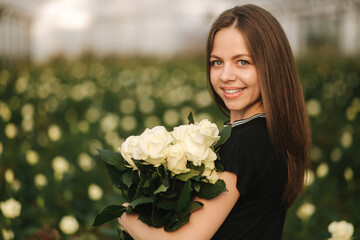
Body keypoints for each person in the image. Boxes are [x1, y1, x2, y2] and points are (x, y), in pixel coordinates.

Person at [118, 4, 311, 240]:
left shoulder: (243, 143)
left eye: (242, 62)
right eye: (217, 62)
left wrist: (126, 216)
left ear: (271, 66)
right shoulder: (273, 133)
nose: (226, 75)